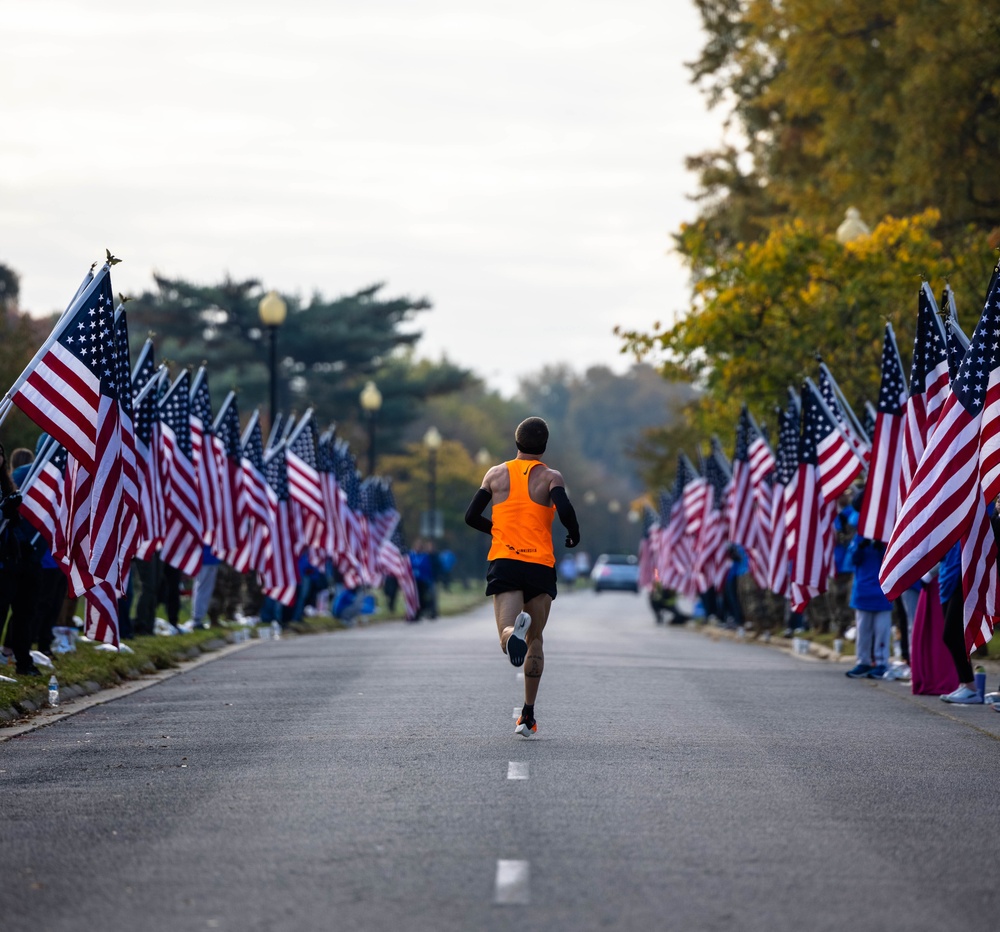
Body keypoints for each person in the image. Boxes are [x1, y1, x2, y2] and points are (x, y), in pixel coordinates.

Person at [464, 416, 580, 738]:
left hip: (505, 561)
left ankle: (512, 632)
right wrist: (574, 533)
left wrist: (497, 529)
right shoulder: (550, 477)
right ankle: (528, 715)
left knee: (507, 630)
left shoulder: (496, 474)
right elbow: (566, 509)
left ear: (517, 443)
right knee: (537, 640)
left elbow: (471, 516)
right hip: (540, 565)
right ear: (543, 447)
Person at [844, 536, 893, 679]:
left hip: (883, 593)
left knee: (881, 632)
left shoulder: (887, 537)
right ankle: (863, 662)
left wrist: (883, 548)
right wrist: (860, 547)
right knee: (863, 632)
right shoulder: (858, 538)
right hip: (863, 593)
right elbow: (852, 560)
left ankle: (881, 663)